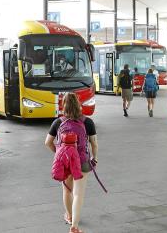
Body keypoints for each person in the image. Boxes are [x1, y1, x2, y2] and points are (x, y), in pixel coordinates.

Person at [45, 93, 98, 233]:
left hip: (65, 162)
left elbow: (47, 142)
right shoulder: (88, 122)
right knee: (78, 194)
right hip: (82, 161)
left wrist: (59, 154)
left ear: (64, 106)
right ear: (78, 104)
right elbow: (94, 144)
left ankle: (68, 216)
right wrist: (94, 157)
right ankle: (74, 226)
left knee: (67, 190)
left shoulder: (58, 122)